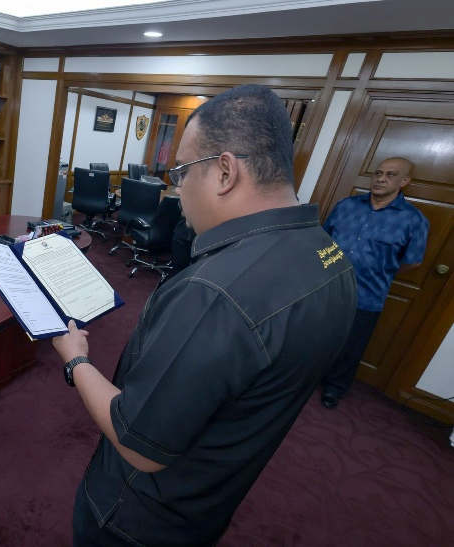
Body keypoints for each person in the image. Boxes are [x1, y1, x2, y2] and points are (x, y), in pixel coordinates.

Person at [52, 84, 358, 546]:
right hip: (208, 504)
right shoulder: (329, 255)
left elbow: (138, 442)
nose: (177, 190)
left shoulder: (213, 293)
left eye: (181, 172)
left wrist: (76, 360)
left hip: (135, 518)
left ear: (224, 171)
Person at [319, 157, 429, 409]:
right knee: (314, 334)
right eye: (378, 173)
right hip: (327, 288)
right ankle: (299, 376)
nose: (381, 179)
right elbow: (323, 241)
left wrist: (377, 269)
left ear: (405, 181)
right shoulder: (346, 205)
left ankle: (334, 387)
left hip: (368, 294)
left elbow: (412, 261)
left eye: (390, 175)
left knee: (351, 346)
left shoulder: (414, 220)